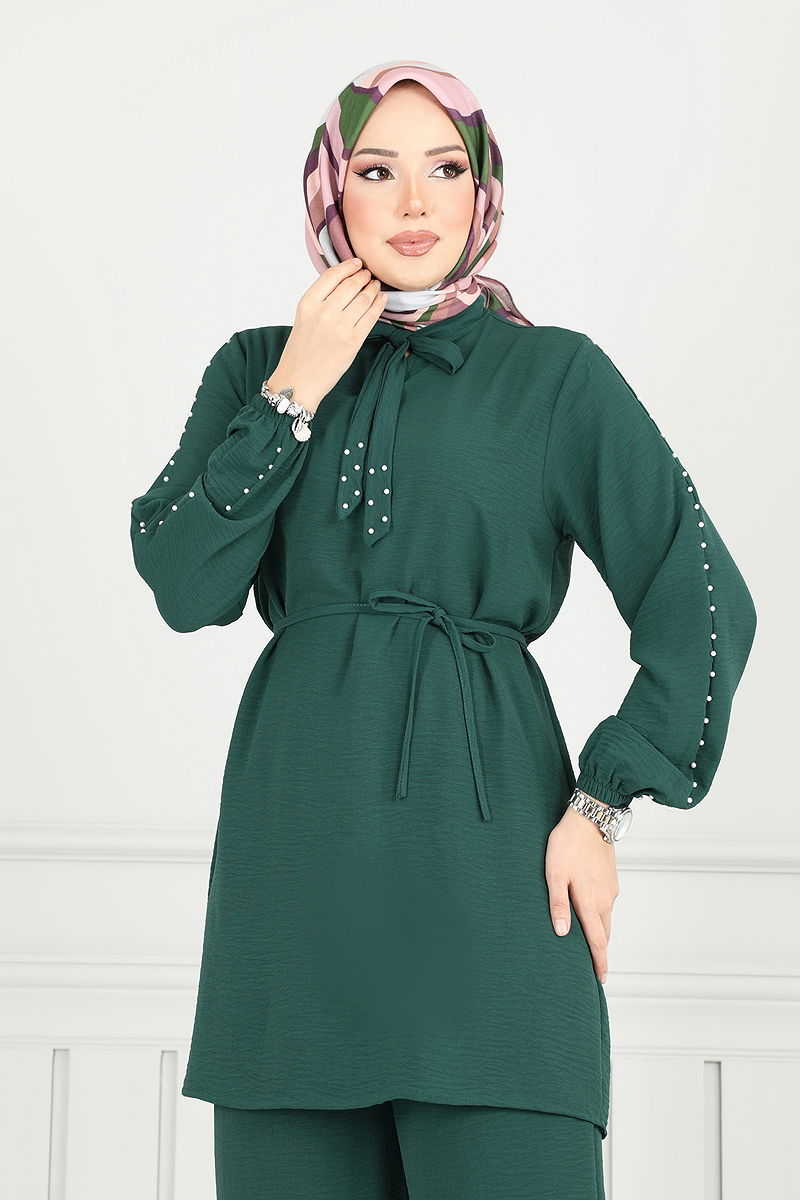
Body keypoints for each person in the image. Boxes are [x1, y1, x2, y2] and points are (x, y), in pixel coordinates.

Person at [129, 58, 758, 1200]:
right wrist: (294, 393)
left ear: (482, 190)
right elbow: (182, 582)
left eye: (444, 169)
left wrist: (603, 804)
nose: (415, 202)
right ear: (331, 188)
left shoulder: (555, 378)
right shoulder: (257, 366)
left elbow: (702, 595)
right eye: (377, 170)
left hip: (493, 895)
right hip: (292, 898)